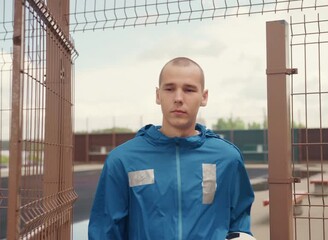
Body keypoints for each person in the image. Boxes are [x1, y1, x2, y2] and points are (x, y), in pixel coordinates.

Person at [88, 57, 255, 240]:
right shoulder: (122, 160)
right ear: (158, 95)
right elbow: (105, 231)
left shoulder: (227, 158)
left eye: (189, 90)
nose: (178, 98)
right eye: (169, 89)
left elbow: (239, 220)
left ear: (204, 97)